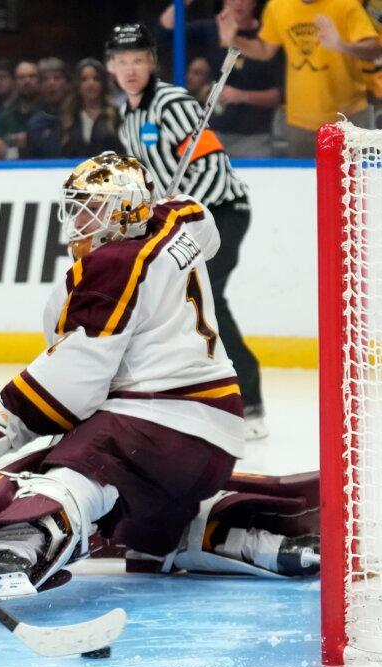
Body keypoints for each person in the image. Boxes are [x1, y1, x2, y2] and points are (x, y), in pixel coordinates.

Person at [0, 153, 319, 605]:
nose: (78, 217)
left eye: (90, 206)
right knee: (135, 514)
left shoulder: (113, 265)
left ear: (123, 212)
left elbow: (72, 383)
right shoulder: (176, 221)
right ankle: (223, 533)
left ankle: (14, 553)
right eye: (77, 205)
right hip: (215, 437)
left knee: (61, 474)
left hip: (157, 426)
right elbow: (201, 219)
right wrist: (158, 206)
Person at [106, 23, 265, 440]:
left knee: (207, 294)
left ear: (152, 61)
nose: (131, 68)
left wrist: (179, 216)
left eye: (138, 58)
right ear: (111, 66)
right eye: (122, 61)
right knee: (183, 302)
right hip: (184, 224)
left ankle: (249, 401)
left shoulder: (173, 103)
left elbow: (211, 168)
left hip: (222, 212)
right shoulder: (127, 118)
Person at [223, 0, 381, 157]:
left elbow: (374, 49)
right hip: (300, 122)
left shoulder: (346, 5)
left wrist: (341, 45)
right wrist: (234, 40)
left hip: (348, 118)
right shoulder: (277, 6)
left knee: (352, 178)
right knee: (302, 178)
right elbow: (265, 50)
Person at [157, 0, 282, 158]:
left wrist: (242, 96)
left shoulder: (269, 36)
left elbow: (279, 96)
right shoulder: (211, 29)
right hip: (214, 132)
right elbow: (165, 32)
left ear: (254, 3)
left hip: (255, 138)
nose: (238, 4)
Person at [60, 58, 123, 158]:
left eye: (96, 79)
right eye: (84, 79)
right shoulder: (68, 115)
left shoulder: (117, 114)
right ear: (77, 84)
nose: (90, 84)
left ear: (103, 83)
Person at [0, 60, 39, 160]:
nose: (27, 81)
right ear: (15, 81)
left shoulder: (50, 113)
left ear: (39, 80)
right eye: (21, 77)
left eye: (32, 76)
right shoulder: (6, 115)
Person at [24, 57, 71, 158]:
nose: (51, 83)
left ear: (67, 83)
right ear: (40, 86)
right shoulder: (35, 124)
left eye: (57, 78)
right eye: (45, 79)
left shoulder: (80, 115)